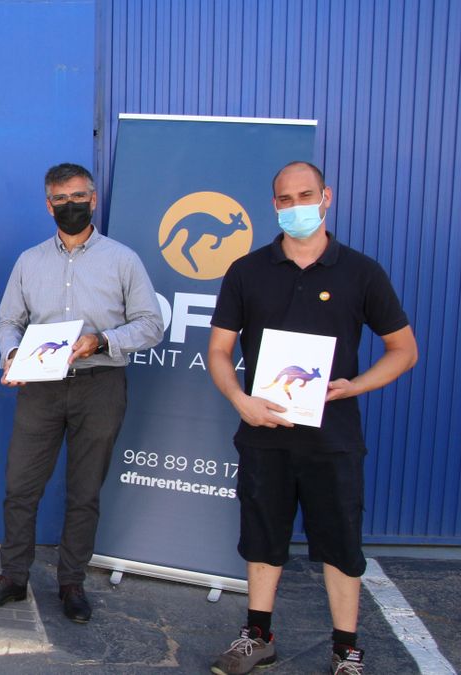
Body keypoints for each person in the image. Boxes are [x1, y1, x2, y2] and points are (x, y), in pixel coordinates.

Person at [207, 161, 417, 675]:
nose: (296, 205)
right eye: (285, 198)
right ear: (274, 206)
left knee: (342, 544)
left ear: (327, 197)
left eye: (306, 195)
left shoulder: (362, 272)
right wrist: (241, 400)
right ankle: (257, 637)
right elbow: (218, 350)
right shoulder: (247, 270)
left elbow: (403, 350)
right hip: (263, 435)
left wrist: (354, 386)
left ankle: (346, 649)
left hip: (334, 438)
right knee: (262, 539)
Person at [0, 163, 164, 623]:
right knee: (20, 487)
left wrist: (103, 341)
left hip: (100, 384)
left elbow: (151, 324)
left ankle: (71, 582)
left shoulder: (122, 259)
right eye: (60, 199)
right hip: (40, 387)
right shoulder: (29, 261)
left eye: (78, 197)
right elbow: (7, 321)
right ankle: (14, 577)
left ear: (93, 200)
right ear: (48, 205)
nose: (70, 205)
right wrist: (12, 353)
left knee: (84, 490)